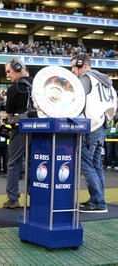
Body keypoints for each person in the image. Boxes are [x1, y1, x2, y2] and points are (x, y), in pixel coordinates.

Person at [71, 53, 117, 213]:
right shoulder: (106, 82)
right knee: (96, 165)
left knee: (87, 165)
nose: (72, 70)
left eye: (73, 66)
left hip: (89, 127)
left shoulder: (86, 78)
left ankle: (98, 202)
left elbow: (75, 100)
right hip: (101, 125)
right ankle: (98, 199)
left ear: (82, 64)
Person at [2, 57, 33, 209]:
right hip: (38, 129)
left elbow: (9, 112)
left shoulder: (13, 88)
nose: (8, 75)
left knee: (14, 163)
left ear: (18, 68)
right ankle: (35, 197)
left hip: (19, 129)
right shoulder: (37, 84)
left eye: (9, 71)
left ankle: (13, 199)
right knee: (34, 163)